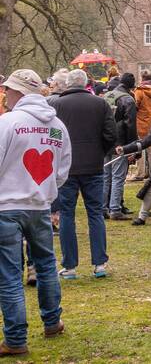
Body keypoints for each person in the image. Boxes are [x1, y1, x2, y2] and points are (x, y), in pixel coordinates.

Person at [0, 69, 72, 356]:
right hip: (39, 205)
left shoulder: (8, 123)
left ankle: (16, 339)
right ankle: (52, 321)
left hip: (6, 206)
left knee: (9, 273)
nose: (5, 94)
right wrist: (44, 191)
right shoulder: (57, 126)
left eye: (8, 89)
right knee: (45, 264)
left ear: (18, 92)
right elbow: (62, 170)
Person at [50, 69, 115, 280]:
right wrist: (99, 152)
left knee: (67, 214)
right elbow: (110, 135)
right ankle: (99, 263)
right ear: (86, 83)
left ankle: (69, 265)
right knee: (95, 213)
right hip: (93, 165)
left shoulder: (57, 105)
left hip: (67, 167)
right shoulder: (100, 104)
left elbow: (53, 135)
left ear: (68, 84)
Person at [103, 72, 138, 221]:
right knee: (118, 176)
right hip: (121, 141)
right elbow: (130, 125)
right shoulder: (128, 99)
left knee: (106, 176)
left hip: (105, 139)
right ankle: (115, 208)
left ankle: (103, 207)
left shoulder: (108, 96)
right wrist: (132, 147)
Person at [132, 70, 151, 181]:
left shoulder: (139, 91)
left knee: (140, 147)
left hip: (141, 122)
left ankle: (140, 173)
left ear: (142, 78)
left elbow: (135, 106)